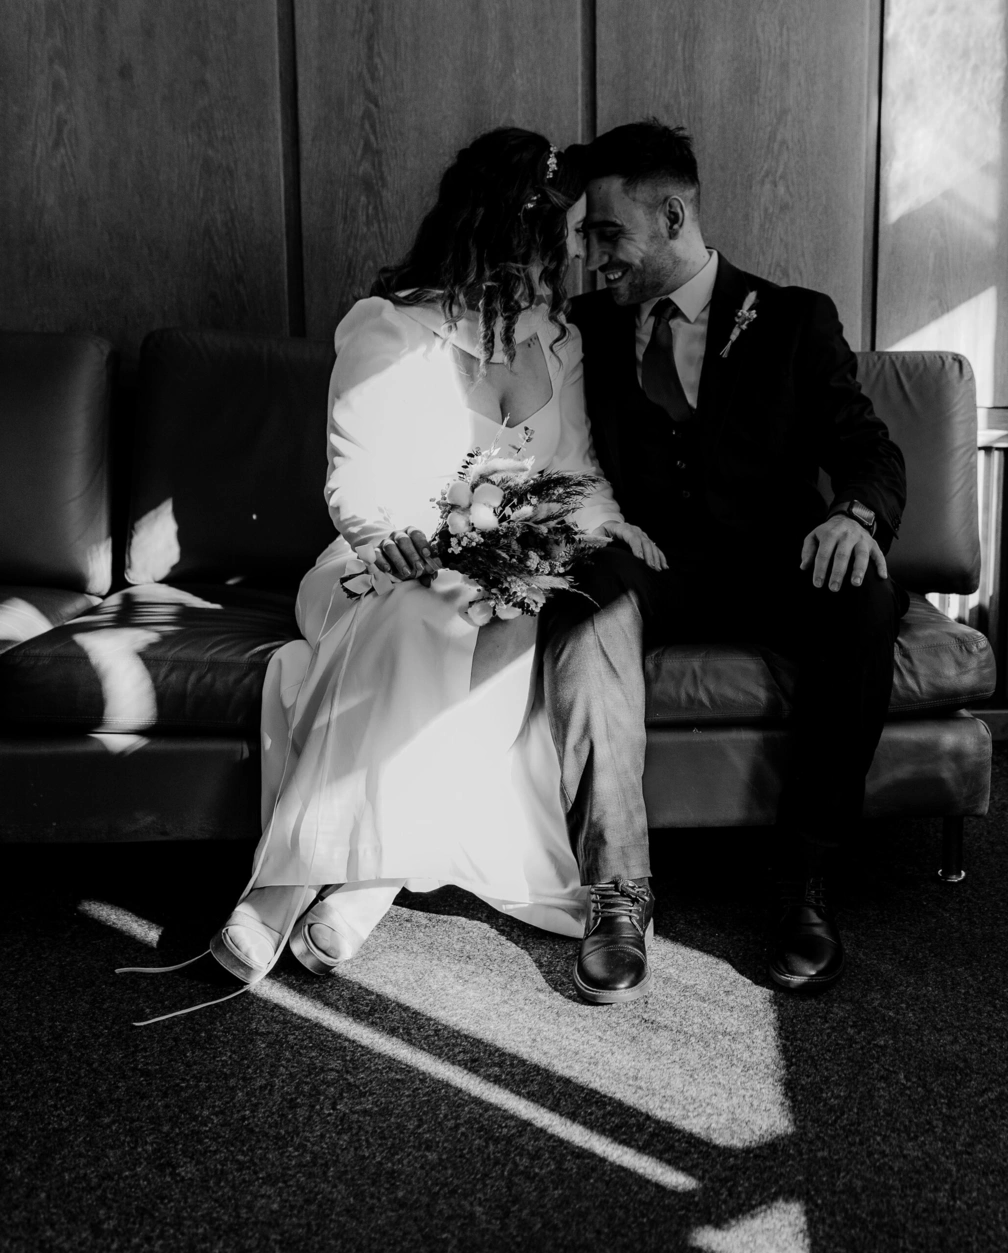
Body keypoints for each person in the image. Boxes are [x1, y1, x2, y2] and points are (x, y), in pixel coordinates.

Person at [204, 128, 664, 993]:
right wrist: (392, 538)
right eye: (559, 238)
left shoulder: (557, 343)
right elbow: (355, 478)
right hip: (378, 564)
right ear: (511, 232)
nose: (570, 260)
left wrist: (604, 529)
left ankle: (367, 883)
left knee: (510, 613)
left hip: (497, 572)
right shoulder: (389, 327)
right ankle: (284, 888)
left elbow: (575, 472)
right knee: (426, 610)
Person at [544, 120, 907, 1002]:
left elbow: (869, 449)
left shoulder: (795, 319)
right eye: (586, 238)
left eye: (608, 234)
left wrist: (856, 515)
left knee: (864, 590)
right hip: (650, 566)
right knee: (579, 599)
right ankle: (617, 892)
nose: (592, 259)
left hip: (777, 565)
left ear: (672, 216)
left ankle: (806, 880)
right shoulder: (581, 328)